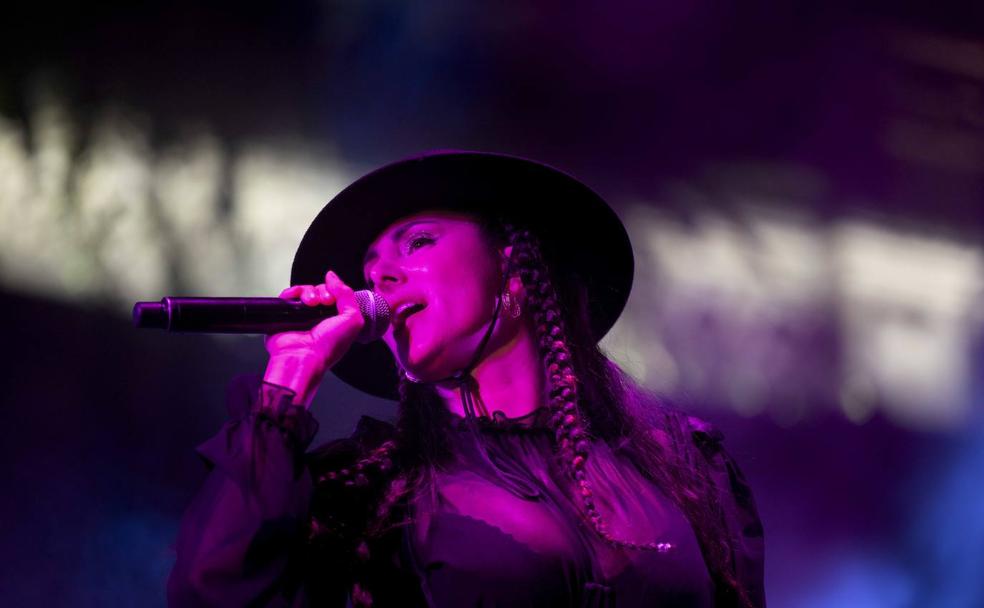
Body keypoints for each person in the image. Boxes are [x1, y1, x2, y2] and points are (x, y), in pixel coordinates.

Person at [167, 151, 766, 607]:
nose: (381, 278)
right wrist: (289, 379)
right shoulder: (372, 494)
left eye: (417, 243)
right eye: (370, 268)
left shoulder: (681, 464)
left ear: (513, 269)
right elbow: (214, 592)